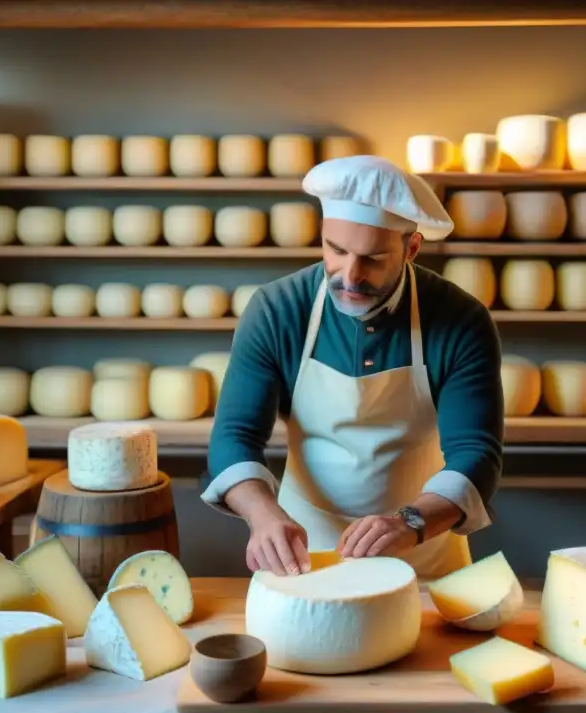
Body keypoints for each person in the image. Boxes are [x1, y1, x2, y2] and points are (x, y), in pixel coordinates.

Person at [200, 154, 504, 580]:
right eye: (336, 250)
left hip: (423, 551)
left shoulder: (459, 320)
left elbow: (476, 453)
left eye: (374, 258)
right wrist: (262, 515)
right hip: (307, 555)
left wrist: (409, 523)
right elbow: (235, 435)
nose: (350, 275)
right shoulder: (277, 310)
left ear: (411, 248)